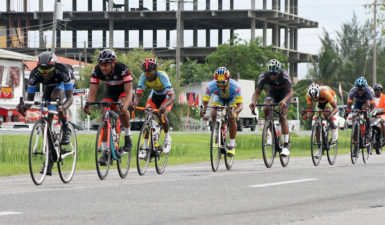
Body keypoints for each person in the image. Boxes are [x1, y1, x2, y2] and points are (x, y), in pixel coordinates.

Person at [17, 51, 74, 175]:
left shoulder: (62, 70)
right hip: (50, 85)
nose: (45, 73)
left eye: (48, 70)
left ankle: (65, 127)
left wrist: (63, 107)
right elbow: (29, 100)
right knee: (46, 119)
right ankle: (49, 159)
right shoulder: (35, 74)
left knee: (56, 98)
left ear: (54, 66)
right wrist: (23, 107)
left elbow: (70, 98)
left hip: (62, 83)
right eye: (42, 71)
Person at [84, 49, 134, 166]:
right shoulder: (96, 70)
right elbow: (92, 91)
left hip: (124, 92)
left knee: (122, 109)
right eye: (101, 65)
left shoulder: (122, 69)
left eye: (105, 65)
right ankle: (105, 151)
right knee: (104, 114)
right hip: (110, 92)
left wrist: (125, 106)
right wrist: (89, 104)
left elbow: (129, 93)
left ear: (113, 63)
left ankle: (127, 135)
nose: (103, 68)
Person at [249, 59, 293, 156]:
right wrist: (253, 101)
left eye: (274, 73)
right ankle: (269, 126)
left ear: (279, 71)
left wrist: (284, 101)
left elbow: (291, 92)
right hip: (272, 92)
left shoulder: (284, 75)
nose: (272, 76)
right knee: (266, 107)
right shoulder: (264, 75)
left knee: (282, 115)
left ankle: (286, 145)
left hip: (285, 94)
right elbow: (257, 92)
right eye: (270, 74)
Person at [134, 58, 175, 159]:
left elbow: (172, 97)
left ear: (155, 70)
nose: (148, 75)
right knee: (147, 115)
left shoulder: (162, 76)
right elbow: (138, 94)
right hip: (154, 96)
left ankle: (167, 139)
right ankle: (144, 148)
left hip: (166, 97)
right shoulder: (143, 77)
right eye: (146, 72)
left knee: (162, 114)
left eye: (150, 72)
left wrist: (164, 106)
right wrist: (134, 104)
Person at [200, 67, 243, 156]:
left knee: (231, 117)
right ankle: (217, 134)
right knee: (213, 112)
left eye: (223, 82)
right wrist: (203, 110)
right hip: (219, 97)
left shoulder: (235, 86)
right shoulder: (210, 86)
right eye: (218, 82)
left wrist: (235, 113)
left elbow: (240, 106)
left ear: (228, 80)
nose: (220, 85)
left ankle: (232, 145)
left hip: (232, 99)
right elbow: (205, 103)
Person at [302, 83, 339, 157]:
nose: (315, 99)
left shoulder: (325, 93)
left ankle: (333, 127)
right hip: (320, 103)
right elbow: (311, 110)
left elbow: (336, 108)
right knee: (316, 121)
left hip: (329, 100)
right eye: (313, 99)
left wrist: (331, 115)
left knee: (326, 114)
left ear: (318, 93)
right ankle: (319, 148)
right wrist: (307, 116)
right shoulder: (308, 95)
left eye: (316, 97)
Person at [344, 77, 375, 153]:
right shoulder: (352, 91)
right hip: (357, 103)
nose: (360, 92)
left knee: (364, 108)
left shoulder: (369, 91)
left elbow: (372, 107)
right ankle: (356, 145)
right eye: (358, 90)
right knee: (354, 117)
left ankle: (368, 128)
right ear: (356, 88)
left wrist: (370, 113)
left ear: (365, 88)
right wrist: (347, 112)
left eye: (362, 90)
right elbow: (349, 105)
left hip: (366, 102)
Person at [373, 83, 385, 152]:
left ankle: (384, 137)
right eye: (376, 90)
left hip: (382, 115)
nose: (377, 92)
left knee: (382, 122)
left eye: (378, 90)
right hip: (374, 115)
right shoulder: (372, 97)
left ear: (381, 90)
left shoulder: (384, 97)